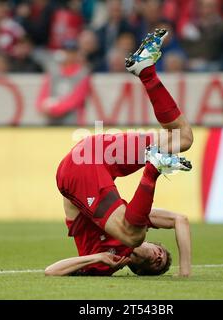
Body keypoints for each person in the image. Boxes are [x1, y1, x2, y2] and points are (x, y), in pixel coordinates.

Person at [45, 29, 193, 277]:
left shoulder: (104, 264)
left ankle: (154, 166)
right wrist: (185, 271)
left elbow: (51, 271)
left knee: (132, 234)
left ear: (138, 269)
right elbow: (181, 220)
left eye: (157, 263)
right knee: (183, 137)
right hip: (99, 153)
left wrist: (96, 256)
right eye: (162, 252)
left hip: (77, 169)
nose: (158, 257)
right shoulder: (135, 221)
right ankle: (146, 71)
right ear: (155, 242)